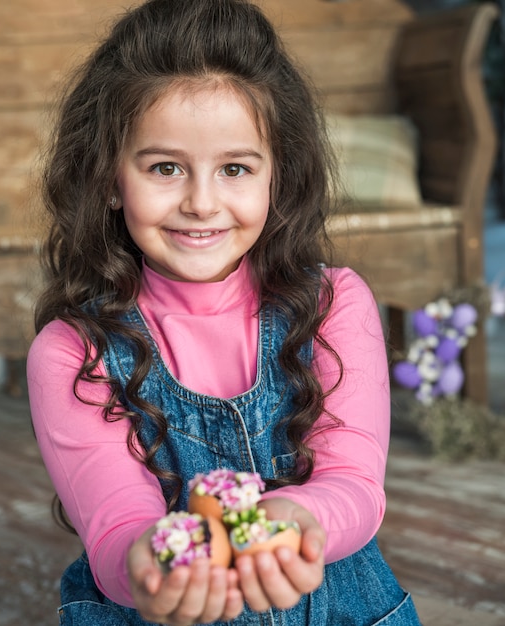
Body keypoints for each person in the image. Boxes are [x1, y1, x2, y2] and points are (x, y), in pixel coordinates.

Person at [27, 0, 422, 624]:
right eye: (165, 168)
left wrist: (301, 518)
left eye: (235, 168)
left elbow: (355, 485)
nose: (201, 203)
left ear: (277, 175)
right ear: (108, 178)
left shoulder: (333, 305)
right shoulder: (74, 352)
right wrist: (153, 568)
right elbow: (116, 529)